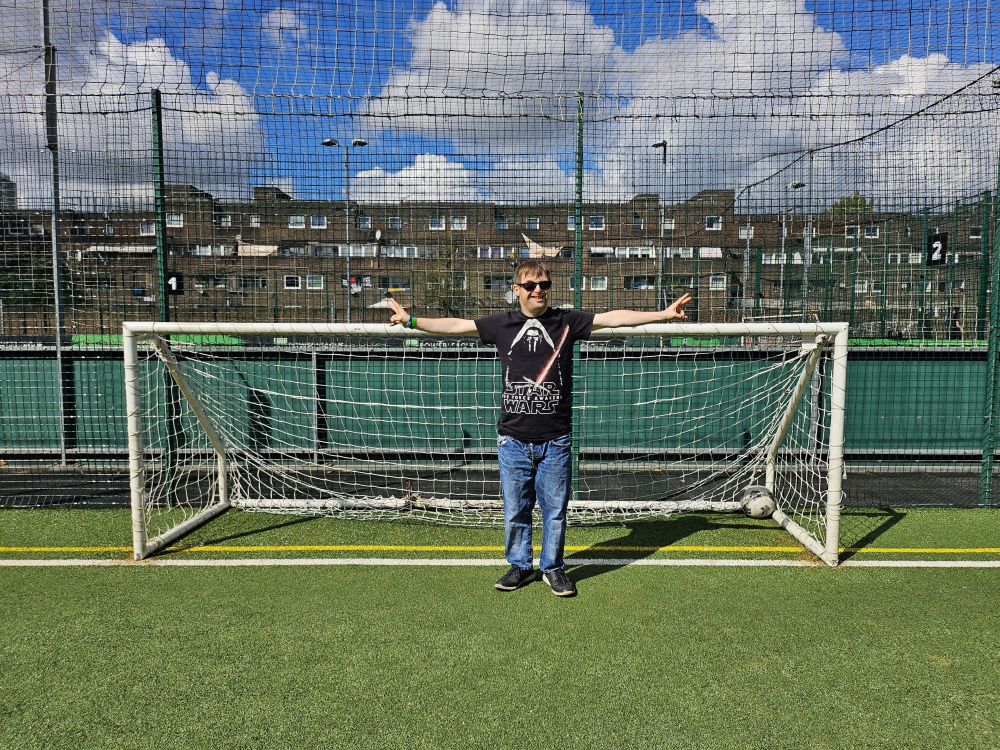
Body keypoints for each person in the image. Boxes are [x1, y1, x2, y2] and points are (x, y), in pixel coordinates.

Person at [386, 260, 691, 597]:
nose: (538, 291)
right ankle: (520, 566)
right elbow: (456, 325)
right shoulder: (501, 324)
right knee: (516, 509)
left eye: (544, 284)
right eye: (530, 285)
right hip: (512, 441)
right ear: (515, 290)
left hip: (555, 441)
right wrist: (412, 320)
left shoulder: (566, 321)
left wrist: (663, 314)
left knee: (554, 511)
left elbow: (613, 317)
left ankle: (553, 568)